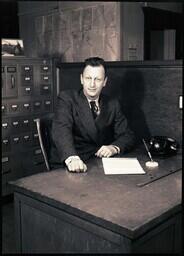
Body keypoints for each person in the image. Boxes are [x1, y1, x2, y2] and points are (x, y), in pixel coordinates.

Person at [51, 57, 135, 172]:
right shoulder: (67, 98)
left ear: (105, 82)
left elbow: (127, 135)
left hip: (97, 163)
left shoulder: (112, 104)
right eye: (88, 78)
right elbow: (61, 131)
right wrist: (72, 158)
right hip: (72, 163)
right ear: (81, 79)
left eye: (98, 79)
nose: (92, 84)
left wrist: (114, 148)